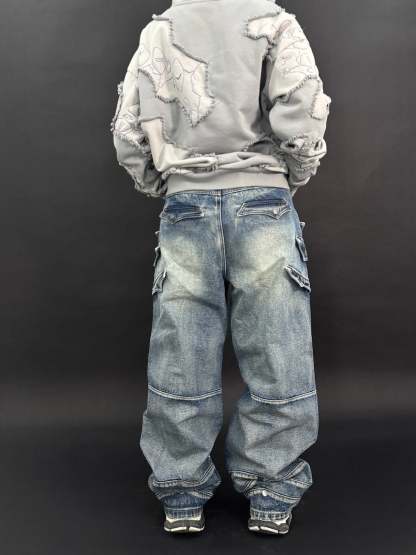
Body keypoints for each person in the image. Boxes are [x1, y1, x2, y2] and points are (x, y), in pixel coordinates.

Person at [111, 0, 331, 536]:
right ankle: (271, 493)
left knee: (181, 348)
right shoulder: (275, 23)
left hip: (185, 204)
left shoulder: (161, 29)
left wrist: (164, 182)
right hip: (264, 201)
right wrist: (288, 176)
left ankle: (182, 494)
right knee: (276, 347)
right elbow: (302, 110)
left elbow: (128, 130)